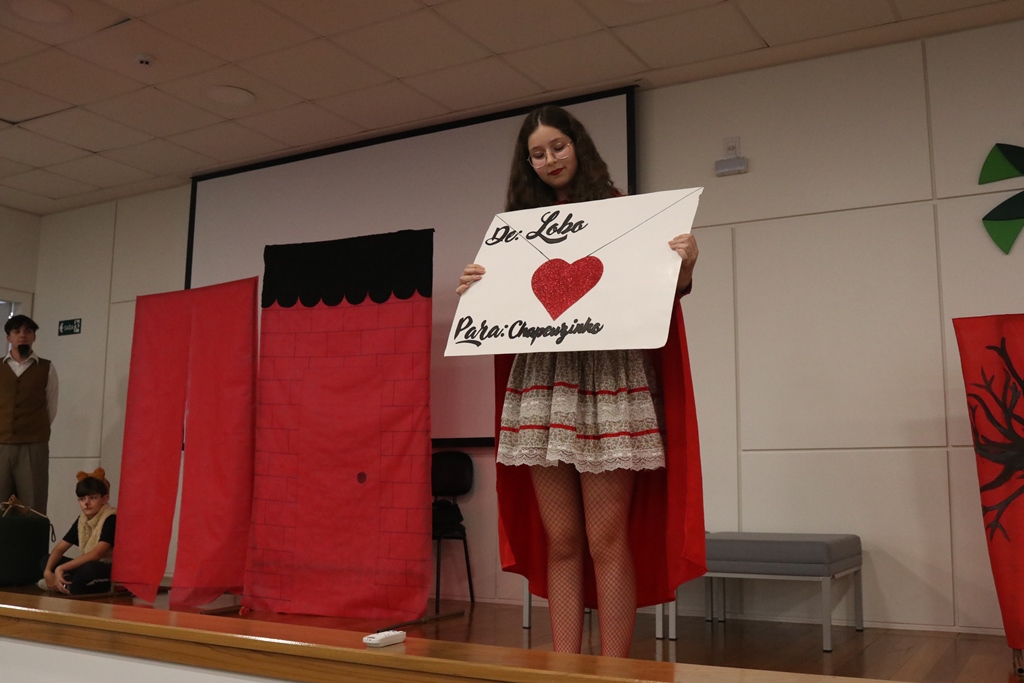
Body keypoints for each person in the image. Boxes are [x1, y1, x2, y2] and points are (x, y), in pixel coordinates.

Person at [457, 105, 706, 657]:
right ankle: (566, 667)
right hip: (542, 384)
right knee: (563, 540)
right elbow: (507, 306)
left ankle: (614, 670)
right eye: (537, 154)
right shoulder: (518, 230)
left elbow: (658, 292)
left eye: (558, 146)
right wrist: (479, 286)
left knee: (607, 537)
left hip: (610, 380)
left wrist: (684, 267)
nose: (549, 159)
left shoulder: (624, 212)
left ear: (578, 146)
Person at [1, 314, 58, 513]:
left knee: (33, 505)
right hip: (1, 444)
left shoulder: (46, 368)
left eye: (28, 331)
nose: (22, 335)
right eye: (16, 331)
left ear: (34, 336)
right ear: (8, 337)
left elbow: (51, 407)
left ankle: (31, 537)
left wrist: (34, 431)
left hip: (34, 446)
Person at [40, 468, 116, 595]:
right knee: (46, 560)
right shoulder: (82, 520)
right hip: (86, 564)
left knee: (89, 568)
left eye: (92, 498)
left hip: (106, 566)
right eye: (82, 499)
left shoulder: (111, 518)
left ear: (104, 499)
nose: (86, 503)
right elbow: (60, 549)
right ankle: (66, 583)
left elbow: (97, 554)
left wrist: (61, 568)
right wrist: (47, 571)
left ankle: (64, 584)